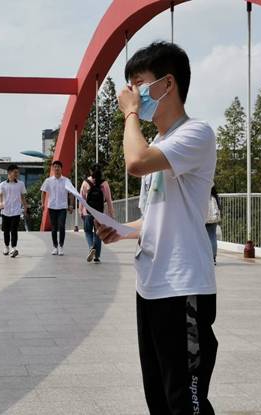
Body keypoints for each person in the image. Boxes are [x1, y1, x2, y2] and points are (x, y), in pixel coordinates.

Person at [95, 41, 218, 414]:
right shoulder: (160, 143)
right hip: (150, 286)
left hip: (183, 286)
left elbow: (135, 161)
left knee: (185, 401)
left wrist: (130, 114)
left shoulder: (196, 133)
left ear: (168, 83)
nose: (132, 92)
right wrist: (122, 229)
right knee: (159, 398)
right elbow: (153, 215)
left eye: (139, 83)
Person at [80, 163, 114, 264]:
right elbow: (109, 200)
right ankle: (97, 257)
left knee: (87, 231)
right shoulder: (104, 183)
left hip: (88, 212)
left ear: (91, 171)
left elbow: (82, 198)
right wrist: (111, 214)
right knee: (98, 233)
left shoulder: (85, 182)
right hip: (99, 213)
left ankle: (91, 247)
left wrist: (80, 211)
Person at [40, 160, 74, 256]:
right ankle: (55, 247)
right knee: (54, 227)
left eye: (58, 167)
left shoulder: (66, 181)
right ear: (52, 168)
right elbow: (43, 192)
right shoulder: (48, 180)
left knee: (62, 226)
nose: (56, 168)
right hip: (52, 207)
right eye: (55, 167)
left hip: (62, 207)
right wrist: (42, 203)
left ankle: (61, 246)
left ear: (61, 168)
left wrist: (71, 205)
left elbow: (71, 193)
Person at [0, 164, 28, 258]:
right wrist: (0, 203)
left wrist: (25, 206)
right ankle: (6, 246)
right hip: (5, 211)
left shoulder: (21, 184)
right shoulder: (2, 184)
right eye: (15, 172)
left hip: (16, 211)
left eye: (17, 172)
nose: (17, 174)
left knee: (14, 230)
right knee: (6, 230)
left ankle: (14, 248)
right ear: (9, 173)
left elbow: (22, 196)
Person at [206, 186, 222, 265]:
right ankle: (213, 257)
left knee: (204, 238)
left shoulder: (204, 196)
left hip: (205, 219)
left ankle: (207, 256)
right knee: (213, 237)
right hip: (214, 219)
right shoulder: (215, 197)